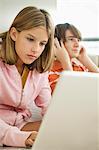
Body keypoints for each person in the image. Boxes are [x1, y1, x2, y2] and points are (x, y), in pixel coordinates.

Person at [0, 6, 54, 147]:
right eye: (30, 39)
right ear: (14, 34)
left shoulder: (39, 70)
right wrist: (19, 138)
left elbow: (48, 106)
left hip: (19, 124)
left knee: (60, 130)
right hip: (3, 128)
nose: (36, 49)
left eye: (42, 43)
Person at [49, 23, 99, 93]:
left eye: (78, 40)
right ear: (56, 43)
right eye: (71, 39)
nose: (77, 44)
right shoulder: (49, 71)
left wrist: (85, 60)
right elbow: (74, 95)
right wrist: (66, 62)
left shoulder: (77, 65)